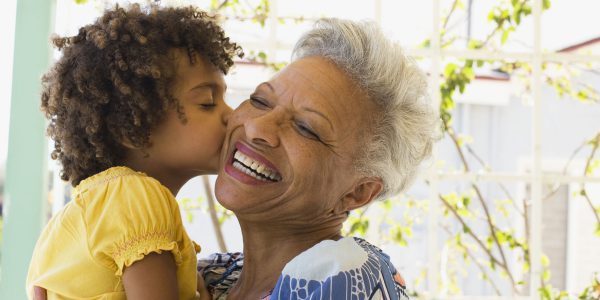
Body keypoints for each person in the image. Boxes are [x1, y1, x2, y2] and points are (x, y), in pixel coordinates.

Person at [198, 18, 439, 299]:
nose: (257, 128)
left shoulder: (347, 277)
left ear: (358, 192)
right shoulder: (211, 275)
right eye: (260, 100)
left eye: (306, 129)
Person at [26, 4, 242, 300]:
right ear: (132, 128)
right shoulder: (137, 196)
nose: (231, 115)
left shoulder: (83, 213)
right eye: (207, 101)